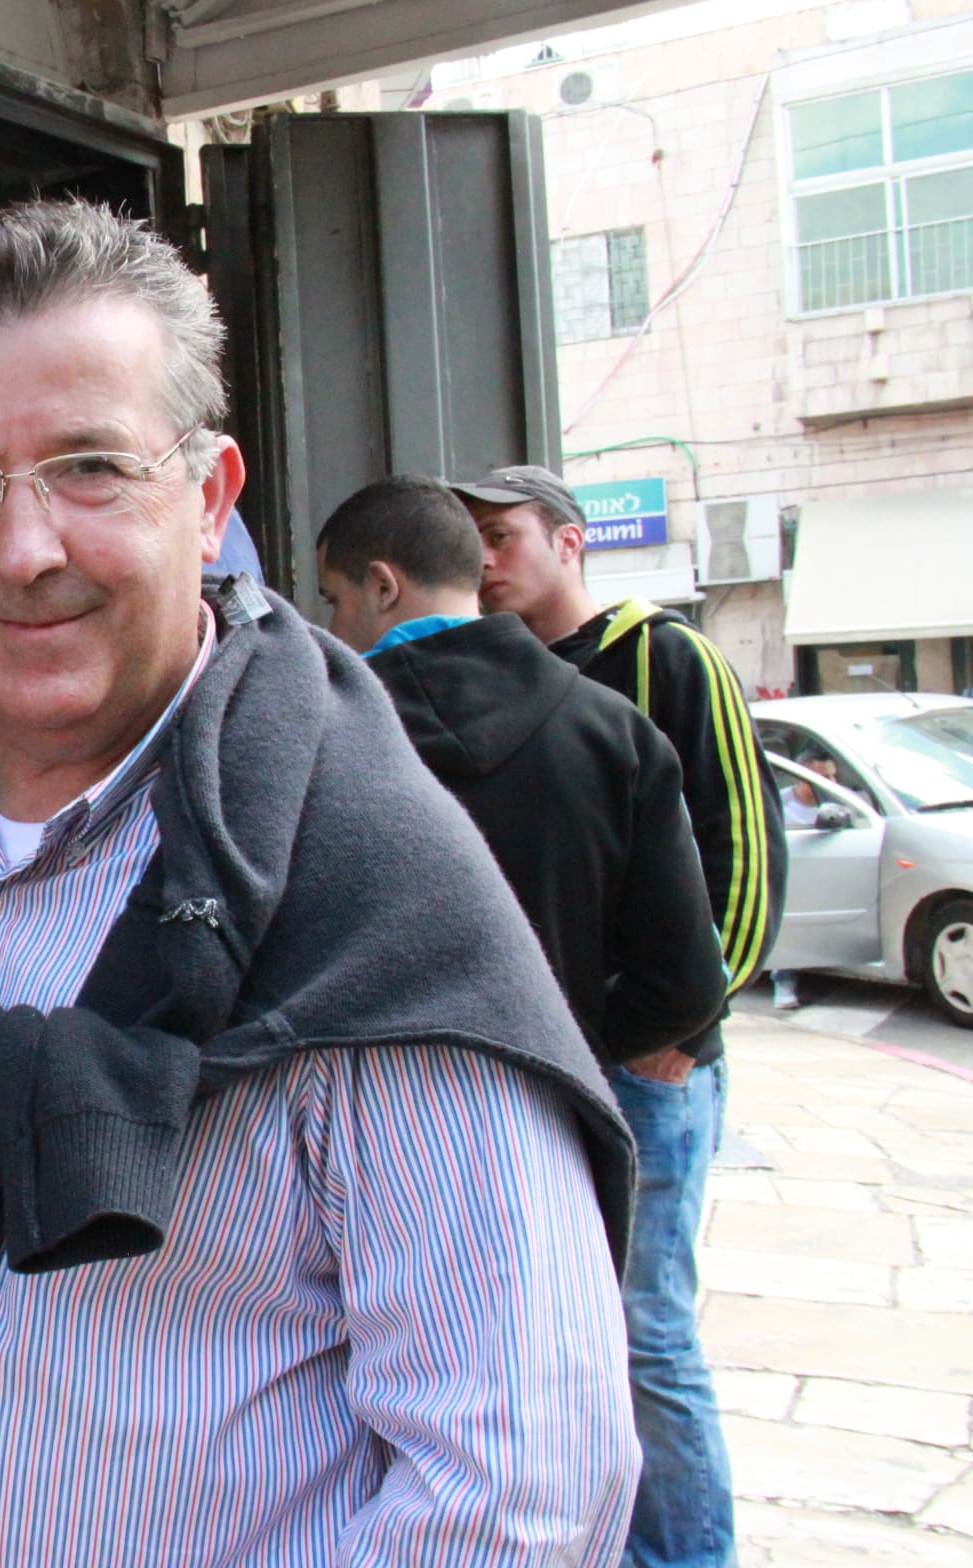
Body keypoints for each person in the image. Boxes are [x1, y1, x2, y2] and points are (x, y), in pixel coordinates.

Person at [0, 199, 640, 1568]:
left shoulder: (360, 893)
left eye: (88, 466)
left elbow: (519, 1488)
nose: (21, 550)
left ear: (208, 500)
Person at [456, 462, 786, 1568]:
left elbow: (741, 858)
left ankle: (689, 1554)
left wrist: (681, 1032)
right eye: (473, 541)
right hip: (545, 1058)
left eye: (503, 536)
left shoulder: (668, 657)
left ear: (569, 541)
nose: (486, 560)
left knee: (647, 1335)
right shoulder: (498, 675)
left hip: (652, 1063)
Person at [315, 474, 727, 1063]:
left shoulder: (317, 737)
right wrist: (575, 1047)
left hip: (368, 1115)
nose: (331, 630)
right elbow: (687, 986)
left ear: (382, 586)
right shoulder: (616, 731)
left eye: (334, 601)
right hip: (561, 1118)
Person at [770, 755, 842, 1010]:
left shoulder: (837, 800)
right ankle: (784, 983)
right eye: (824, 777)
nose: (831, 782)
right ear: (803, 777)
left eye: (834, 776)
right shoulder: (781, 801)